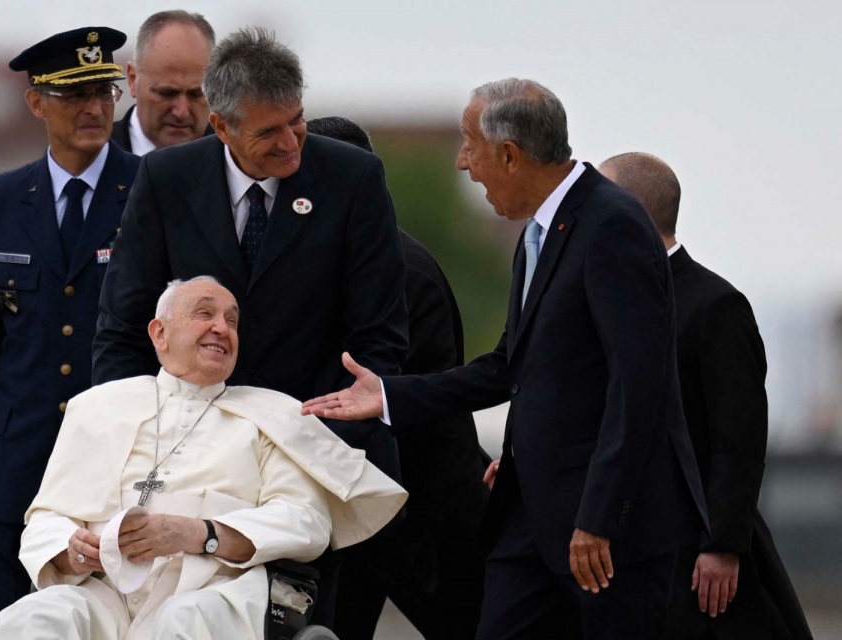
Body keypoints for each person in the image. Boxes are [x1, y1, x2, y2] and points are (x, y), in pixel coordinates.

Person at [303, 79, 710, 640]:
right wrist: (389, 395)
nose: (463, 163)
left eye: (470, 146)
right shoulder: (539, 233)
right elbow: (509, 366)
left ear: (510, 155)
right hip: (532, 517)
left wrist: (599, 517)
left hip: (607, 531)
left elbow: (638, 387)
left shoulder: (612, 224)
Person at [93, 28, 409, 623]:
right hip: (196, 460)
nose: (291, 142)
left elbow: (380, 336)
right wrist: (122, 440)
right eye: (269, 132)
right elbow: (124, 326)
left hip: (319, 454)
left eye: (299, 121)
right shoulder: (164, 180)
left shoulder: (354, 179)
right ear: (222, 127)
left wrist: (337, 433)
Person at [0, 277, 406, 639]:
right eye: (204, 313)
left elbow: (307, 523)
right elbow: (45, 518)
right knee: (34, 618)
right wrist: (70, 550)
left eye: (232, 320)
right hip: (105, 593)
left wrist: (201, 533)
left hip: (215, 592)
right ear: (160, 333)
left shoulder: (273, 415)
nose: (221, 328)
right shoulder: (97, 406)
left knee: (183, 622)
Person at [0, 27, 141, 615]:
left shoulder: (150, 190)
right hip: (15, 465)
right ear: (37, 103)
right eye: (75, 94)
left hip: (115, 467)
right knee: (15, 620)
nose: (95, 108)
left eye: (104, 92)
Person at [599, 152, 813, 640]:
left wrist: (722, 544)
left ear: (629, 213)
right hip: (625, 549)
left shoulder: (716, 305)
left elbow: (738, 438)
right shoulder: (607, 302)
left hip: (697, 554)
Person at [305, 116, 488, 639]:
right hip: (359, 507)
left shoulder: (401, 269)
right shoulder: (343, 257)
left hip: (422, 510)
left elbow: (417, 411)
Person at [111, 10, 216, 154]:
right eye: (166, 93)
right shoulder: (93, 157)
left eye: (196, 94)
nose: (182, 112)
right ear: (132, 80)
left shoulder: (238, 160)